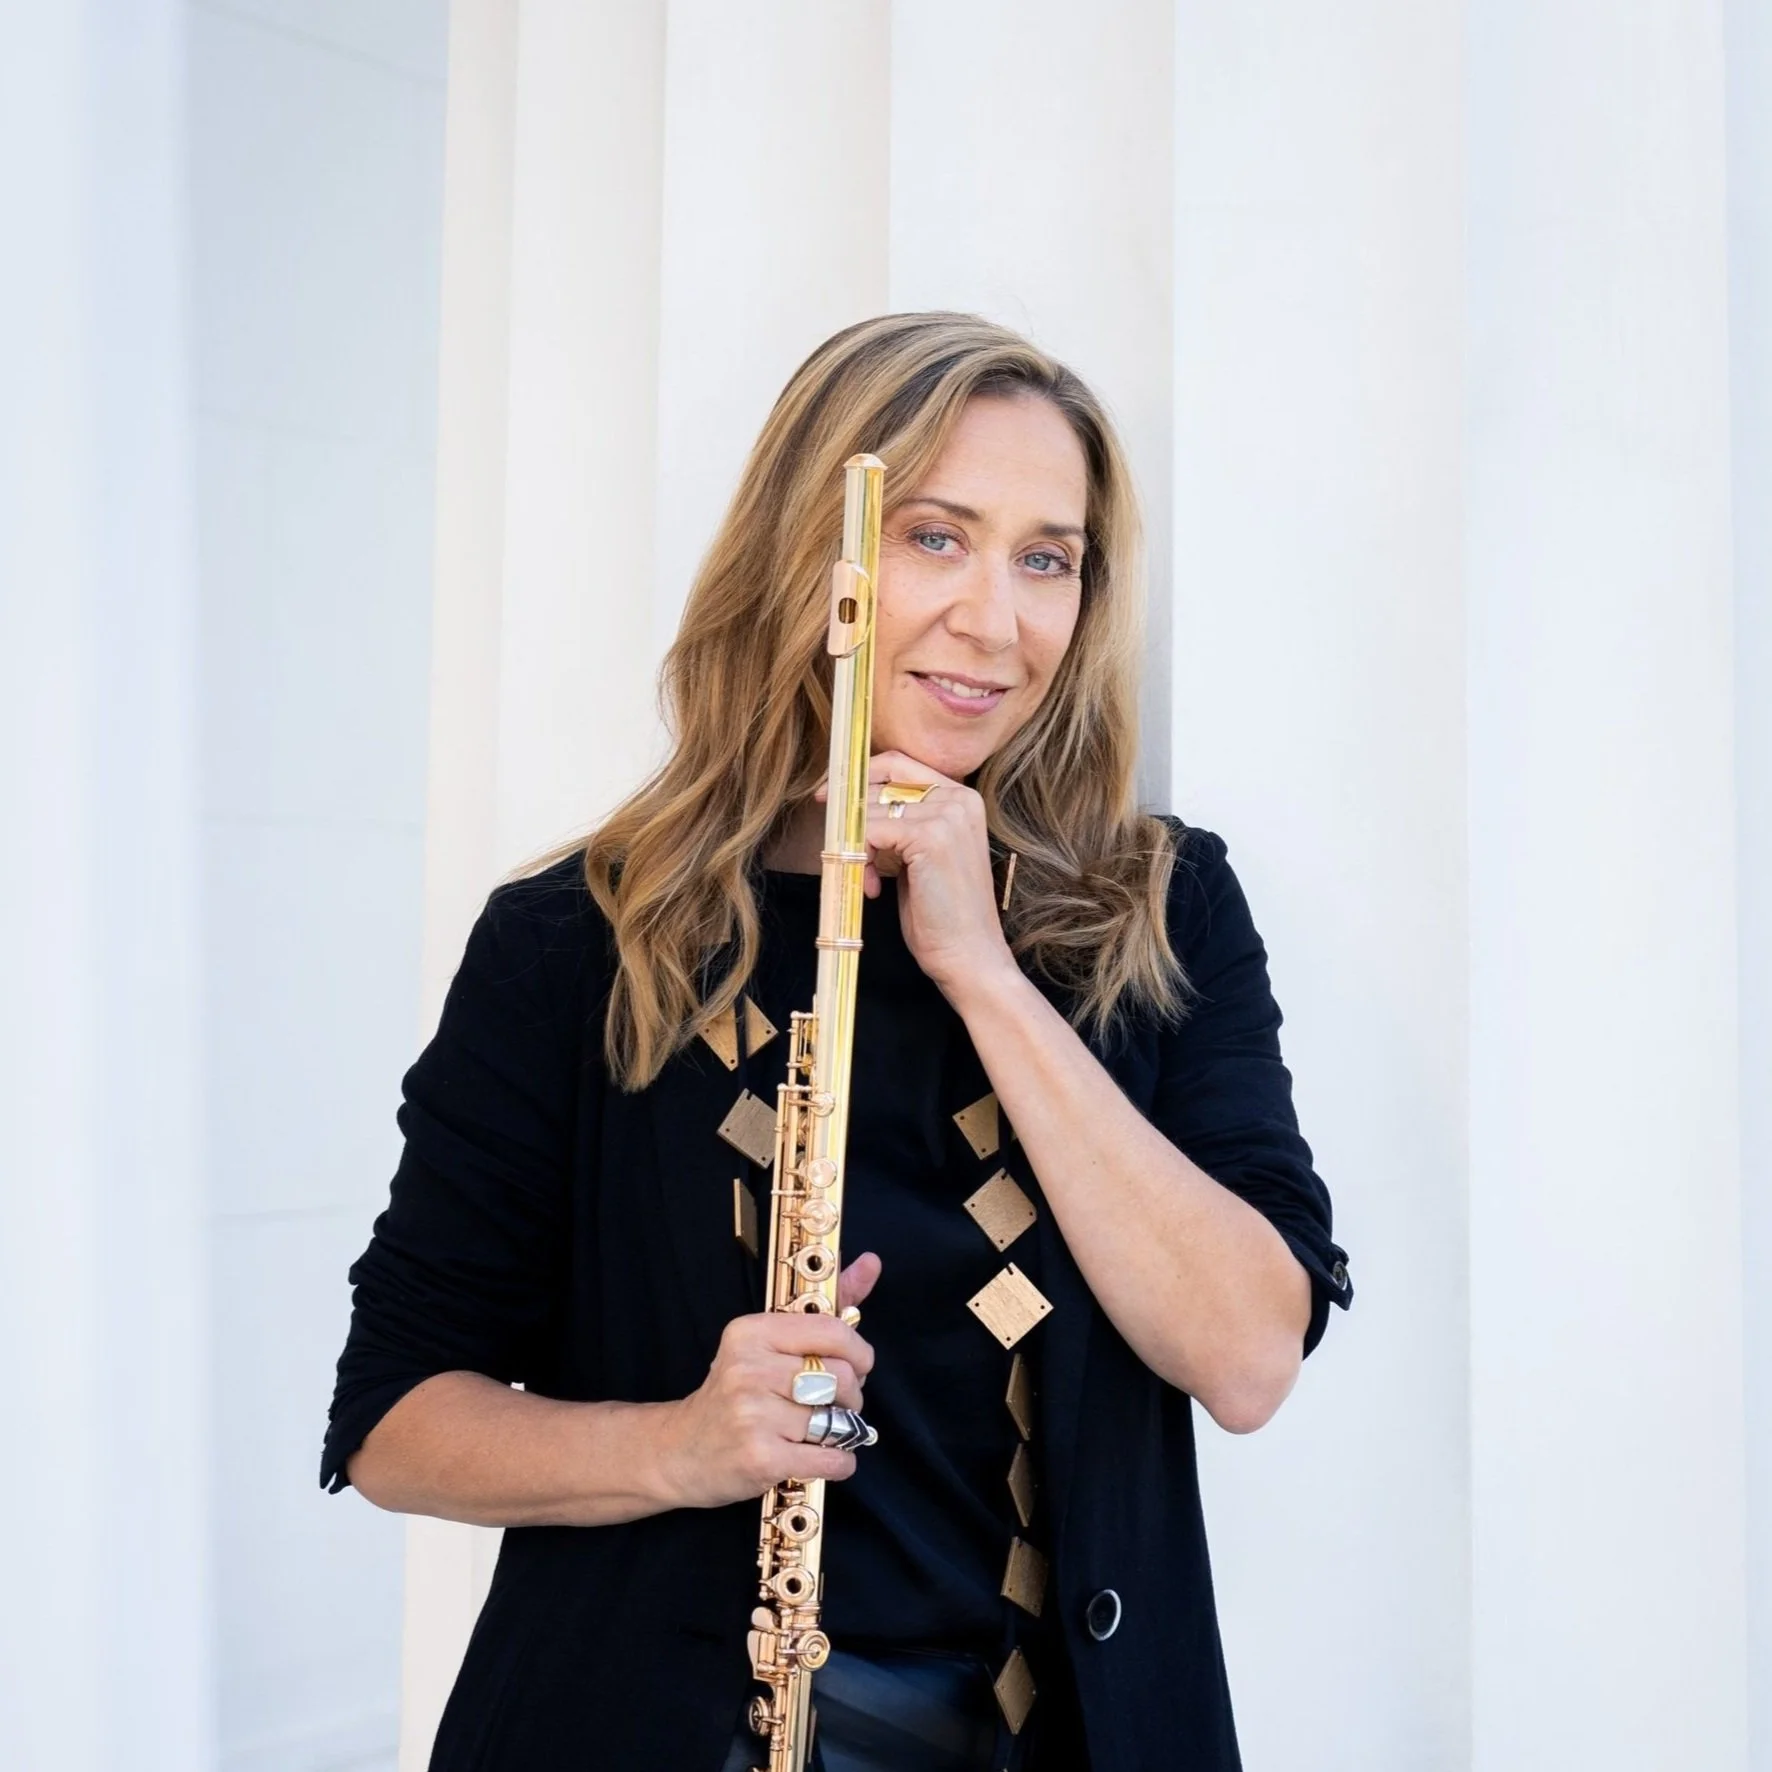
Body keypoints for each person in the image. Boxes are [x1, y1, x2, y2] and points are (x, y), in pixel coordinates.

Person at [322, 311, 1352, 1772]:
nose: (998, 620)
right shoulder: (580, 939)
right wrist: (677, 1444)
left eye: (1046, 557)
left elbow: (1249, 1353)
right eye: (937, 538)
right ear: (818, 555)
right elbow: (396, 1422)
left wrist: (982, 969)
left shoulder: (1159, 907)